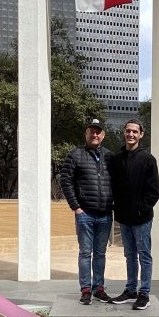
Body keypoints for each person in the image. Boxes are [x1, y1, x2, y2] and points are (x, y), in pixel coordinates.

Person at [60, 119, 115, 305]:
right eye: (92, 131)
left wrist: (113, 205)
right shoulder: (75, 155)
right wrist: (76, 207)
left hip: (105, 215)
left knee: (100, 254)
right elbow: (65, 181)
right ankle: (85, 289)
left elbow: (117, 183)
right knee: (85, 253)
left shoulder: (110, 157)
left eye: (98, 132)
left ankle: (98, 288)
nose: (95, 135)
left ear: (103, 135)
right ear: (86, 133)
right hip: (85, 214)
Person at [108, 119, 159, 310]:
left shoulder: (148, 159)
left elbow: (154, 191)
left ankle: (144, 293)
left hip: (142, 218)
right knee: (130, 255)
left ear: (141, 134)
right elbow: (113, 187)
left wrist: (141, 208)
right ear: (124, 132)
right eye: (128, 131)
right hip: (123, 217)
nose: (131, 134)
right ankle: (130, 290)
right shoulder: (117, 159)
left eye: (135, 132)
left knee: (144, 255)